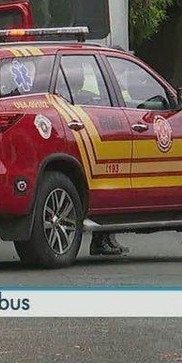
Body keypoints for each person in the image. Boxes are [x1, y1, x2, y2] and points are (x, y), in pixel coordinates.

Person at [61, 60, 128, 257]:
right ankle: (103, 239)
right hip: (99, 143)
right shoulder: (89, 98)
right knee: (114, 187)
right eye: (79, 74)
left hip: (91, 145)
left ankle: (104, 238)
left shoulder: (69, 100)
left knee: (106, 188)